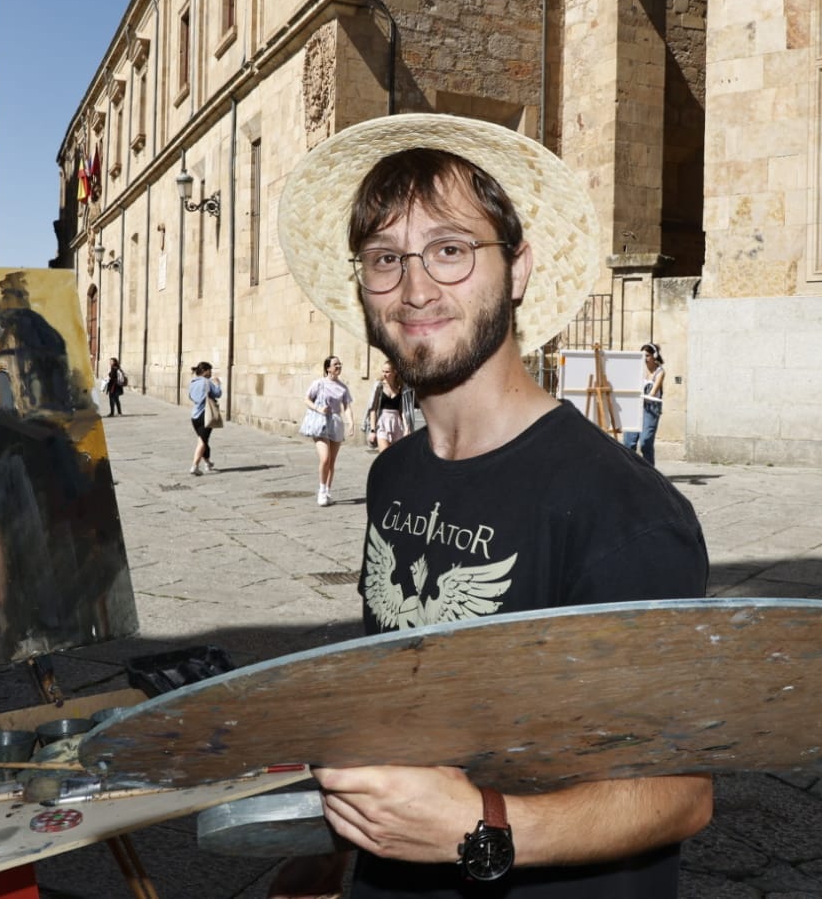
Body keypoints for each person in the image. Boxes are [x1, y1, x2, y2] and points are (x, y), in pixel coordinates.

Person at [275, 113, 712, 897]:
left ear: (516, 269)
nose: (415, 288)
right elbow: (401, 693)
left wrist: (482, 828)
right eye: (385, 258)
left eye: (450, 250)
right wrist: (341, 848)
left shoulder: (621, 509)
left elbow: (679, 796)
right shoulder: (394, 474)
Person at [301, 355, 352, 506]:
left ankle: (327, 492)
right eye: (335, 364)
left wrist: (351, 422)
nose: (338, 366)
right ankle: (321, 491)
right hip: (320, 423)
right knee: (325, 458)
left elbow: (347, 407)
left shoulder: (343, 387)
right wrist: (318, 408)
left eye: (340, 364)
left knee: (331, 461)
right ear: (328, 368)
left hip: (336, 423)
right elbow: (306, 399)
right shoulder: (319, 383)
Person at [621, 342, 665, 466]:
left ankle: (649, 470)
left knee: (645, 442)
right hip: (636, 406)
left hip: (651, 408)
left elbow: (653, 392)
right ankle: (631, 469)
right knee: (629, 442)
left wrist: (644, 396)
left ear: (654, 356)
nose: (645, 358)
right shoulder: (638, 368)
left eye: (647, 356)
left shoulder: (660, 372)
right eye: (643, 355)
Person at [364, 360, 418, 453]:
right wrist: (372, 430)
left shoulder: (401, 388)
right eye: (383, 371)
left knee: (395, 457)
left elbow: (403, 411)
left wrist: (406, 428)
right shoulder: (379, 386)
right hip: (382, 423)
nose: (384, 374)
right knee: (384, 455)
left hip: (397, 423)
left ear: (395, 372)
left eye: (387, 372)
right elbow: (373, 409)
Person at [188, 362, 222, 476]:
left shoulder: (192, 382)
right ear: (205, 371)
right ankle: (194, 466)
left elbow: (191, 397)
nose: (211, 373)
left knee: (203, 440)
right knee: (202, 442)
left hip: (194, 415)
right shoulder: (207, 382)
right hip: (205, 415)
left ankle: (208, 463)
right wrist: (218, 384)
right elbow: (218, 394)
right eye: (210, 370)